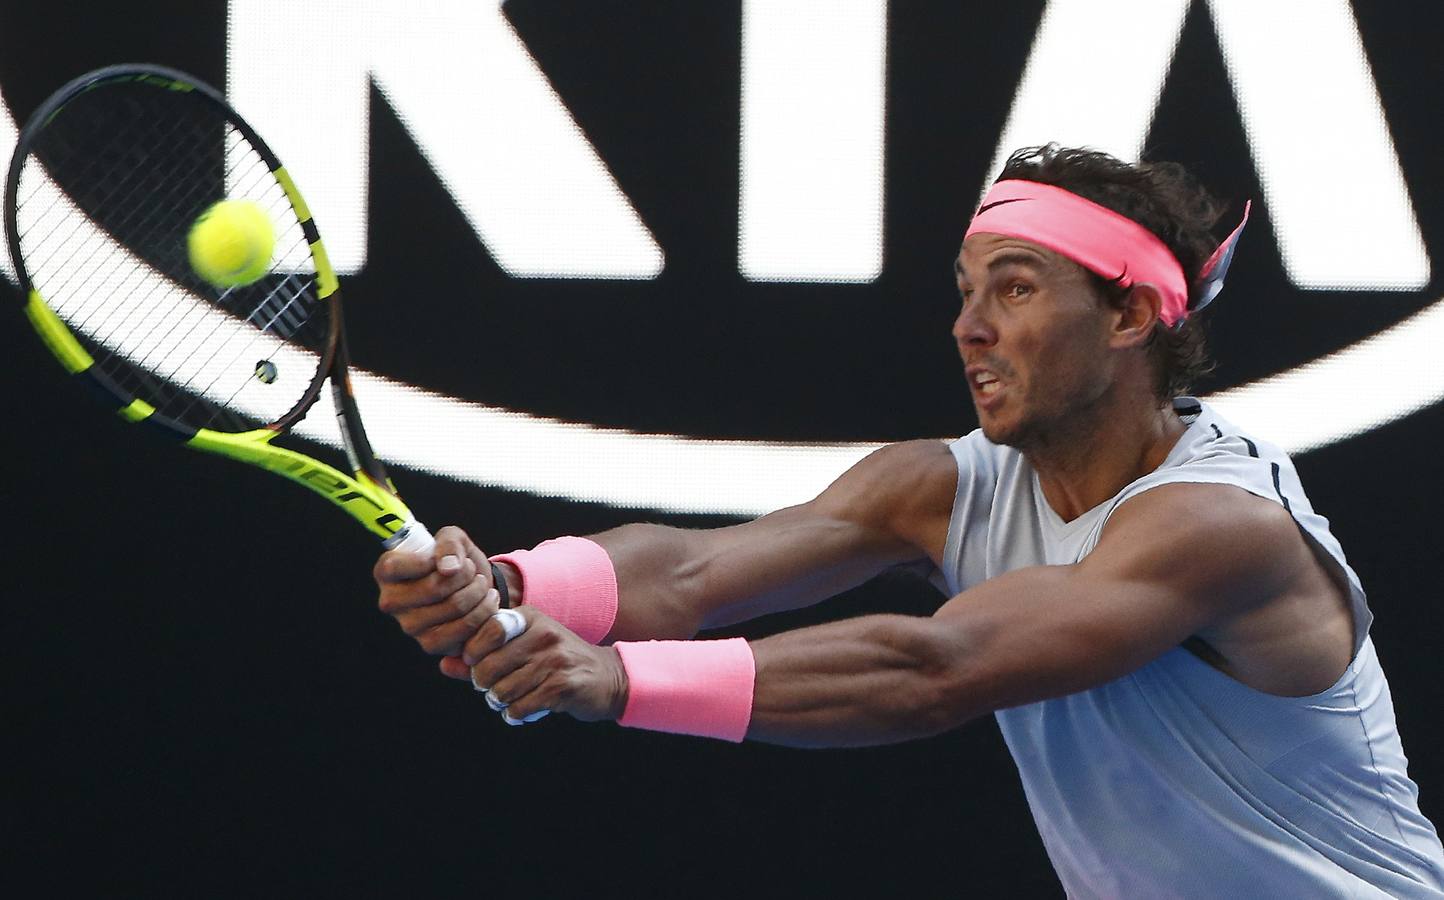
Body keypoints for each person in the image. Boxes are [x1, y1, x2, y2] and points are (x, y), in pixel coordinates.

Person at [374, 145, 1444, 896]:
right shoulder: (940, 485)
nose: (969, 328)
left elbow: (934, 670)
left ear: (1128, 315)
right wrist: (511, 585)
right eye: (966, 290)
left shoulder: (1221, 525)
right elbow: (694, 572)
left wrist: (614, 678)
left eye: (1015, 290)